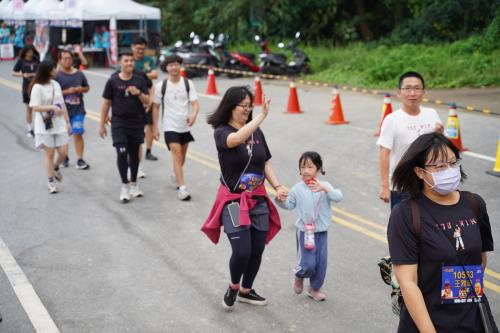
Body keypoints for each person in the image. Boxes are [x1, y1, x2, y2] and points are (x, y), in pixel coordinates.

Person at [387, 132, 498, 333]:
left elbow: (479, 260)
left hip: (474, 318)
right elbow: (408, 282)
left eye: (452, 163)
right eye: (439, 166)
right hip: (427, 322)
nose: (448, 170)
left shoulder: (474, 204)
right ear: (420, 172)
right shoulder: (405, 214)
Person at [202, 86, 286, 310]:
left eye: (251, 106)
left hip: (258, 200)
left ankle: (247, 291)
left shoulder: (257, 132)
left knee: (257, 250)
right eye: (244, 106)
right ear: (231, 107)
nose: (248, 110)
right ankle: (233, 286)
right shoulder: (221, 131)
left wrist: (277, 186)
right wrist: (262, 115)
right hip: (233, 201)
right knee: (242, 251)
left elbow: (265, 162)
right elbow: (236, 139)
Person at [275, 151, 342, 302]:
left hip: (321, 232)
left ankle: (314, 289)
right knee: (308, 263)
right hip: (306, 232)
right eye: (302, 167)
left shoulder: (325, 186)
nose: (305, 170)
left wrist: (326, 189)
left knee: (320, 263)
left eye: (310, 167)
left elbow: (338, 197)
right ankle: (299, 275)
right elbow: (289, 205)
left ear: (318, 169)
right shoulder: (297, 189)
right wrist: (280, 199)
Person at [377, 71, 443, 209]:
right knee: (404, 228)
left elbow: (441, 148)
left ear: (423, 92)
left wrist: (440, 135)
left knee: (429, 228)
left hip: (430, 184)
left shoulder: (431, 114)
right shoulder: (392, 120)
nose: (412, 93)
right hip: (402, 186)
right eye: (407, 88)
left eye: (417, 88)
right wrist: (385, 186)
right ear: (399, 92)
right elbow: (384, 154)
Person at [99, 53, 149, 202]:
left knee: (134, 155)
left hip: (136, 122)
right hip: (119, 123)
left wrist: (138, 92)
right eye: (126, 60)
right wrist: (102, 124)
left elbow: (147, 101)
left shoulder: (139, 79)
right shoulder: (113, 80)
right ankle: (124, 186)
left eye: (131, 60)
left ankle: (134, 184)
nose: (129, 63)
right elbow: (106, 103)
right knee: (122, 153)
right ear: (120, 63)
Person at [152, 54, 199, 201]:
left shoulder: (187, 84)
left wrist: (193, 115)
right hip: (170, 126)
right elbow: (155, 107)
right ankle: (182, 188)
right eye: (171, 65)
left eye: (176, 64)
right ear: (167, 68)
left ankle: (175, 174)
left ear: (180, 66)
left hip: (184, 126)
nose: (174, 67)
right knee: (177, 155)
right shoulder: (162, 86)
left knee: (182, 157)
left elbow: (195, 103)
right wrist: (155, 127)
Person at [29, 60, 71, 194]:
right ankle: (51, 181)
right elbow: (35, 107)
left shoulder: (56, 84)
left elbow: (62, 104)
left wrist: (68, 121)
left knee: (63, 152)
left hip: (59, 123)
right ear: (49, 70)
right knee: (50, 153)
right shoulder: (37, 87)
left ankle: (56, 167)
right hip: (44, 123)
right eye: (55, 68)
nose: (57, 70)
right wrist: (52, 107)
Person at [56, 49, 90, 170]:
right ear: (59, 61)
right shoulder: (56, 75)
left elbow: (87, 87)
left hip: (78, 110)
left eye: (69, 58)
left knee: (77, 132)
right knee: (64, 135)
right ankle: (64, 156)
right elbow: (52, 93)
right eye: (65, 58)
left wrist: (81, 89)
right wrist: (67, 92)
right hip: (61, 112)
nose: (68, 60)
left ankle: (80, 159)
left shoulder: (79, 73)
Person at [132, 36, 158, 162]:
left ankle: (148, 151)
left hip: (149, 96)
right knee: (137, 126)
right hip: (133, 99)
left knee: (150, 125)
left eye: (142, 49)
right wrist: (146, 75)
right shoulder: (128, 60)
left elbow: (155, 74)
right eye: (138, 49)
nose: (140, 51)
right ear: (133, 48)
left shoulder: (149, 60)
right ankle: (136, 151)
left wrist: (138, 75)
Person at [12, 45, 40, 138]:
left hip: (38, 86)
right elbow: (13, 72)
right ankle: (30, 129)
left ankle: (39, 128)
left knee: (39, 108)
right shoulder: (21, 61)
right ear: (25, 52)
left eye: (31, 51)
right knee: (29, 109)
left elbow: (41, 69)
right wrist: (23, 74)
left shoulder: (36, 59)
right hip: (27, 87)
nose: (30, 54)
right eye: (28, 52)